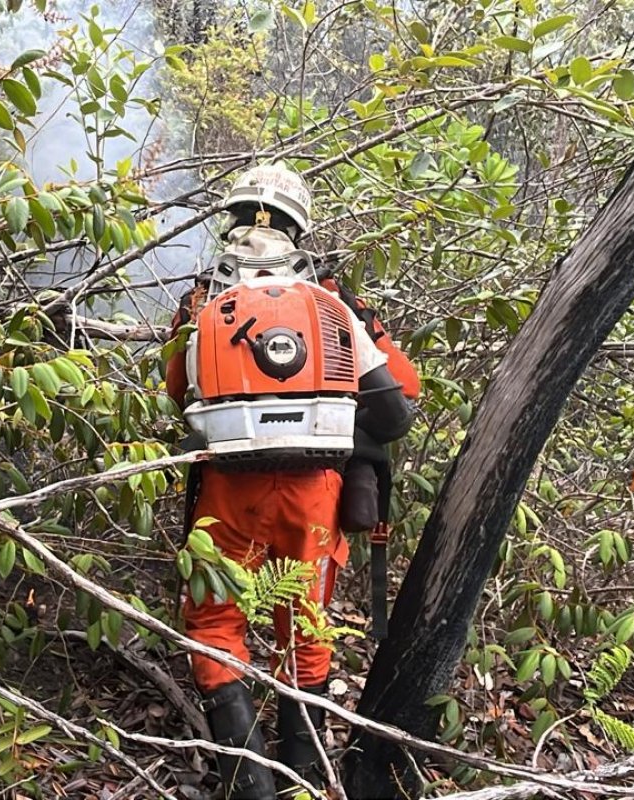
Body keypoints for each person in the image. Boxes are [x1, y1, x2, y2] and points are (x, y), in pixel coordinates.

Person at [164, 164, 421, 798]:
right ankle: (303, 778)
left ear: (232, 218)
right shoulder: (331, 299)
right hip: (316, 492)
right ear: (299, 227)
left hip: (227, 487)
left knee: (216, 622)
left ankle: (246, 784)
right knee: (304, 625)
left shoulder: (202, 299)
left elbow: (179, 391)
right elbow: (401, 394)